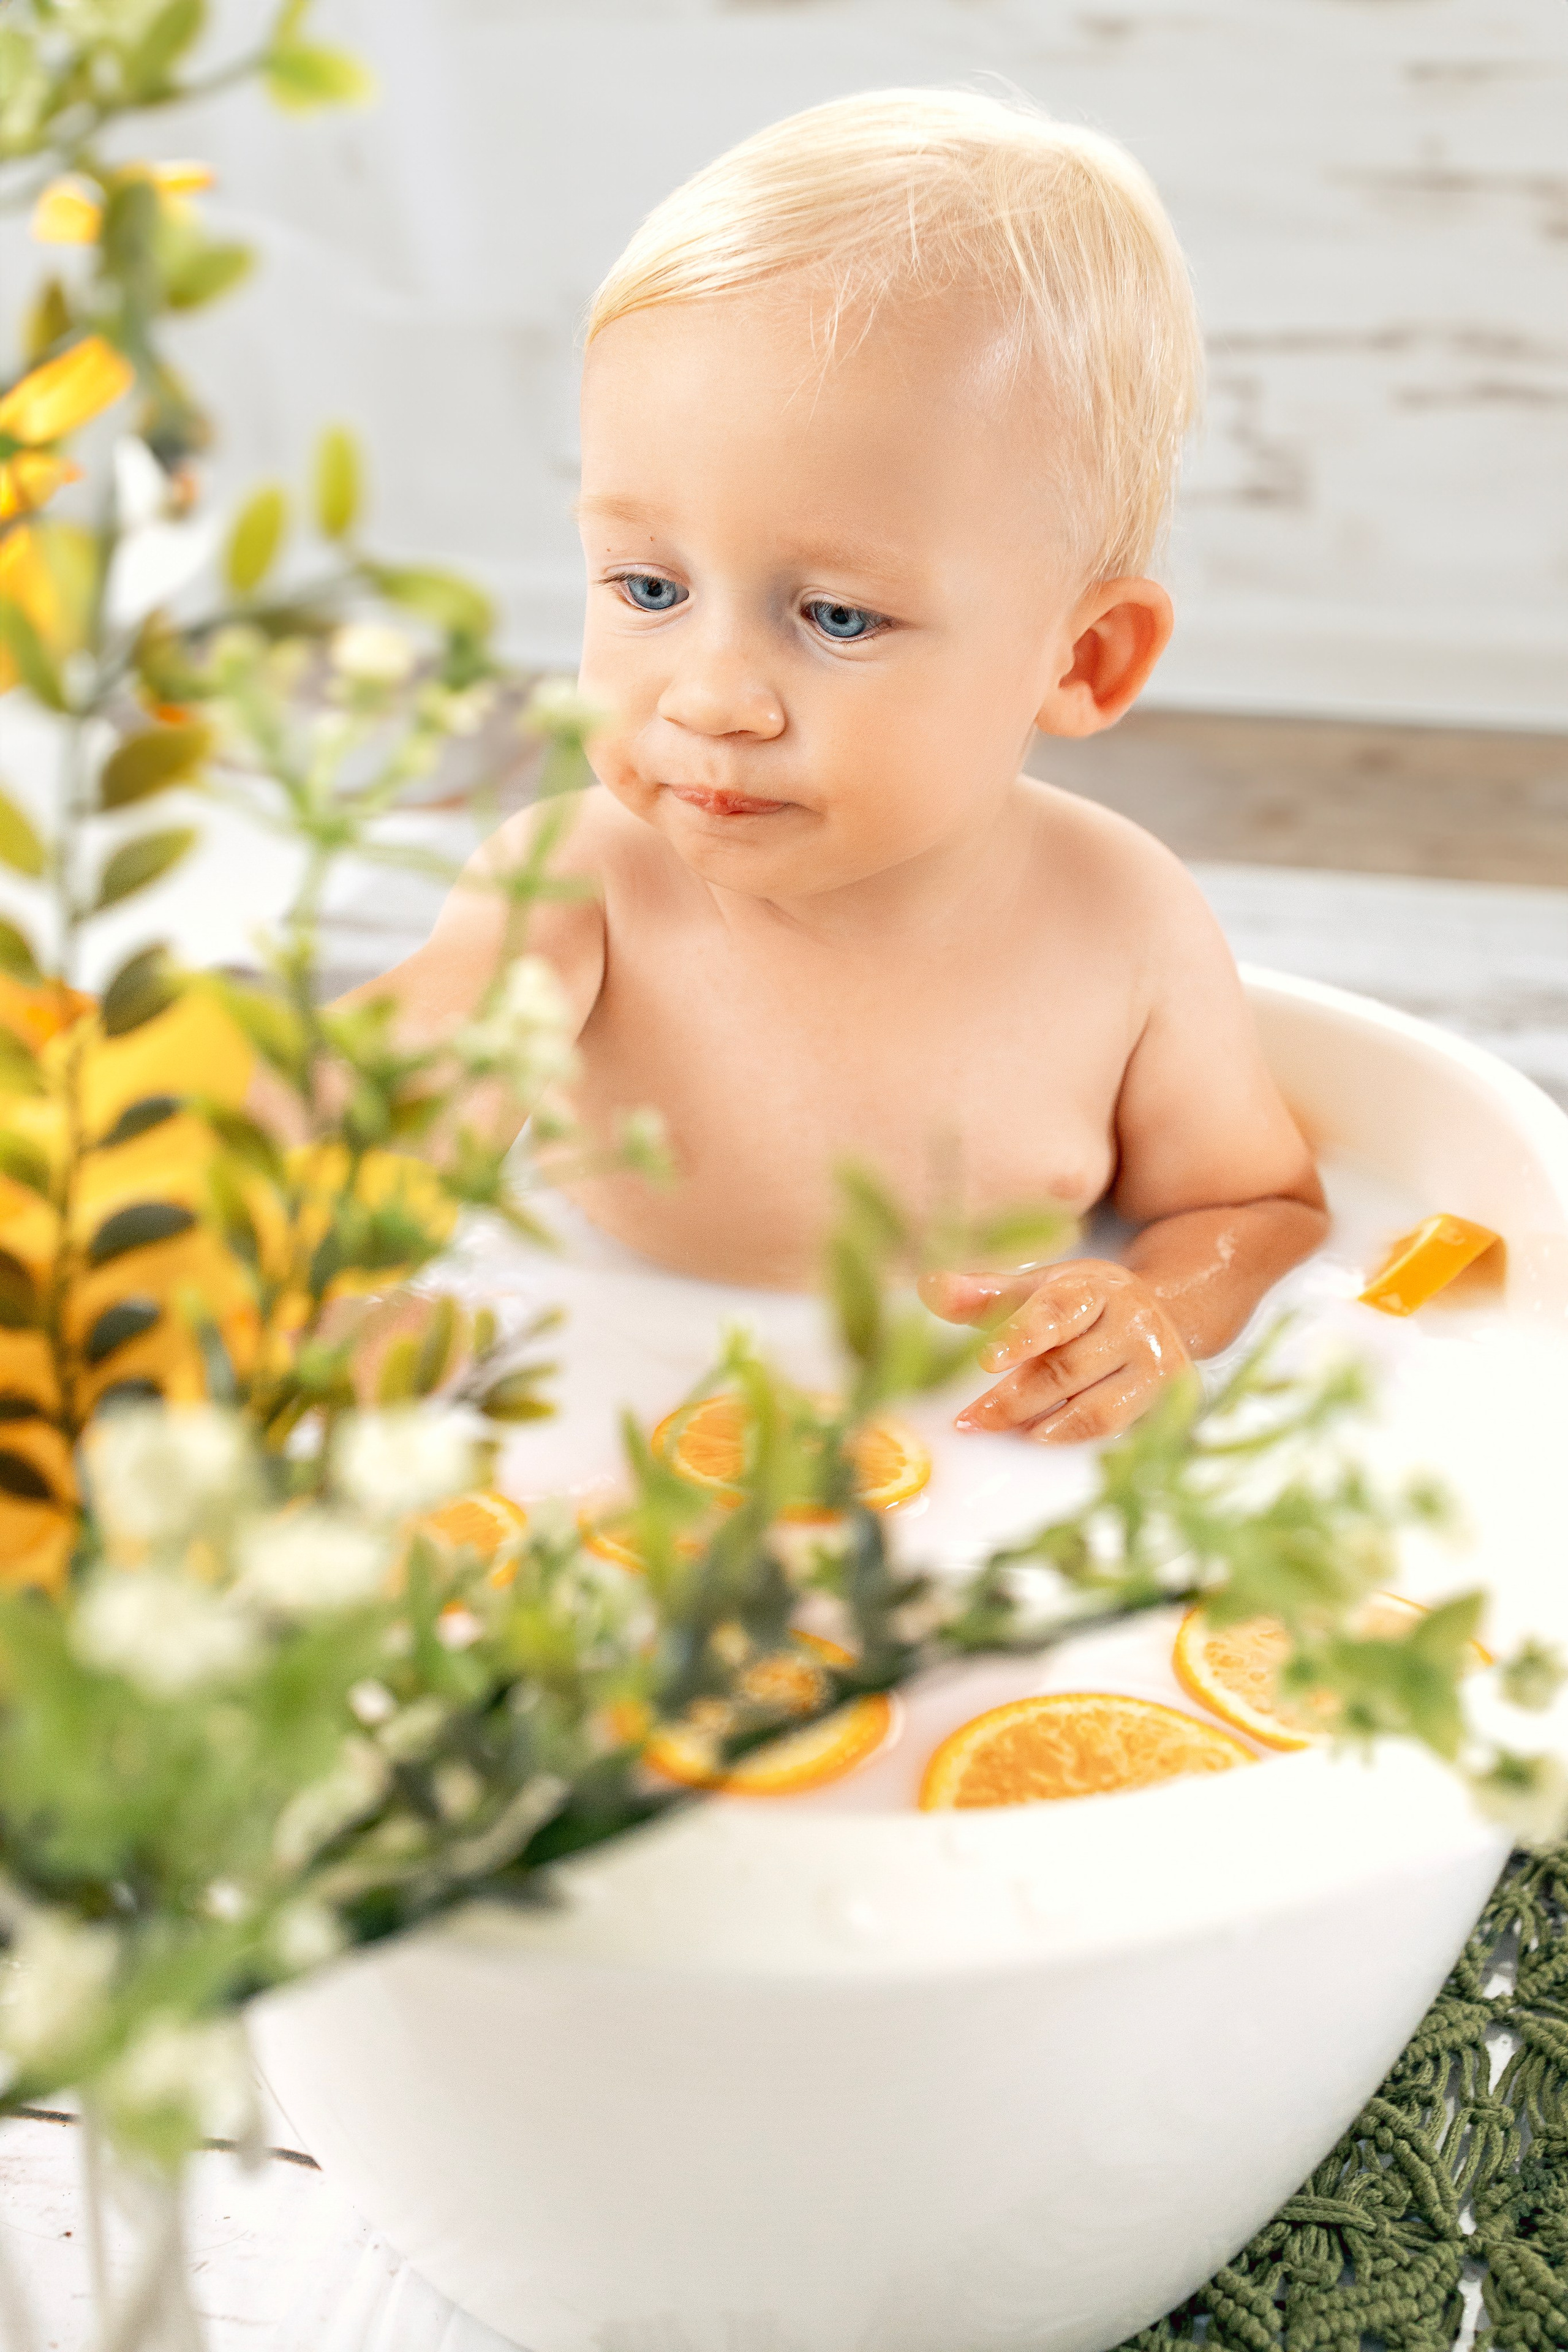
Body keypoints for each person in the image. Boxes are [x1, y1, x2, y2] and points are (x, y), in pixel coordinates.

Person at [356, 88, 1327, 1446]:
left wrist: (1156, 1310)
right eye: (645, 587)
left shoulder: (1120, 924)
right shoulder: (583, 884)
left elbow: (1253, 1208)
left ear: (1081, 658)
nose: (708, 696)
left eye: (838, 617)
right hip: (619, 1432)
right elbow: (399, 1088)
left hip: (981, 1472)